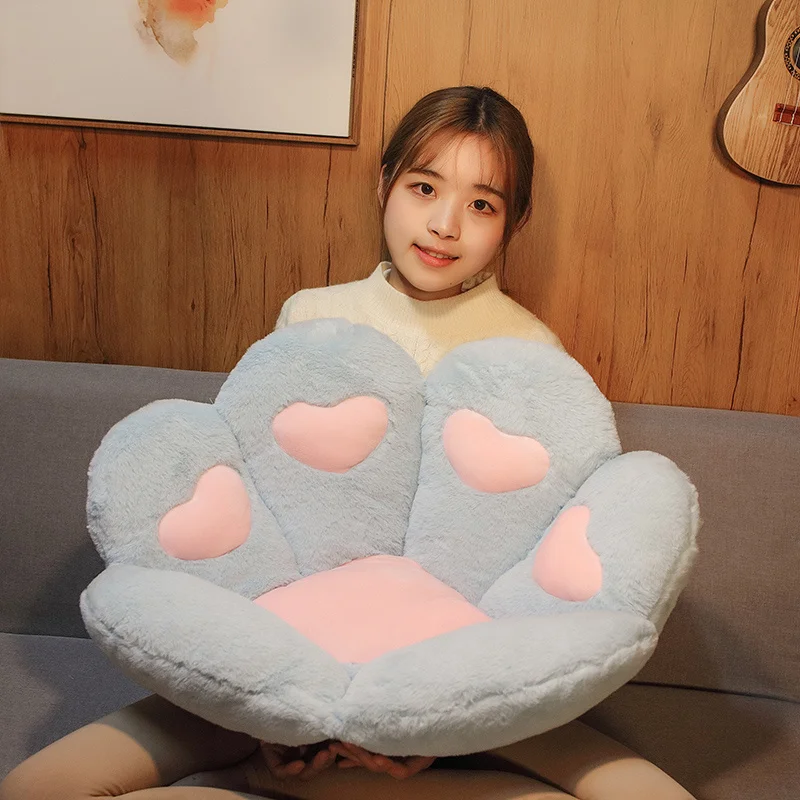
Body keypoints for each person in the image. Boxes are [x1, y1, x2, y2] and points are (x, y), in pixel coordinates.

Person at [0, 86, 694, 800]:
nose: (445, 224)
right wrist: (276, 718)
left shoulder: (530, 355)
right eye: (424, 188)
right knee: (39, 786)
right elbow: (264, 521)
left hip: (454, 682)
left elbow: (518, 559)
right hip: (293, 664)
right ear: (385, 182)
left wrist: (426, 726)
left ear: (513, 221)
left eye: (482, 204)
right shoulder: (316, 319)